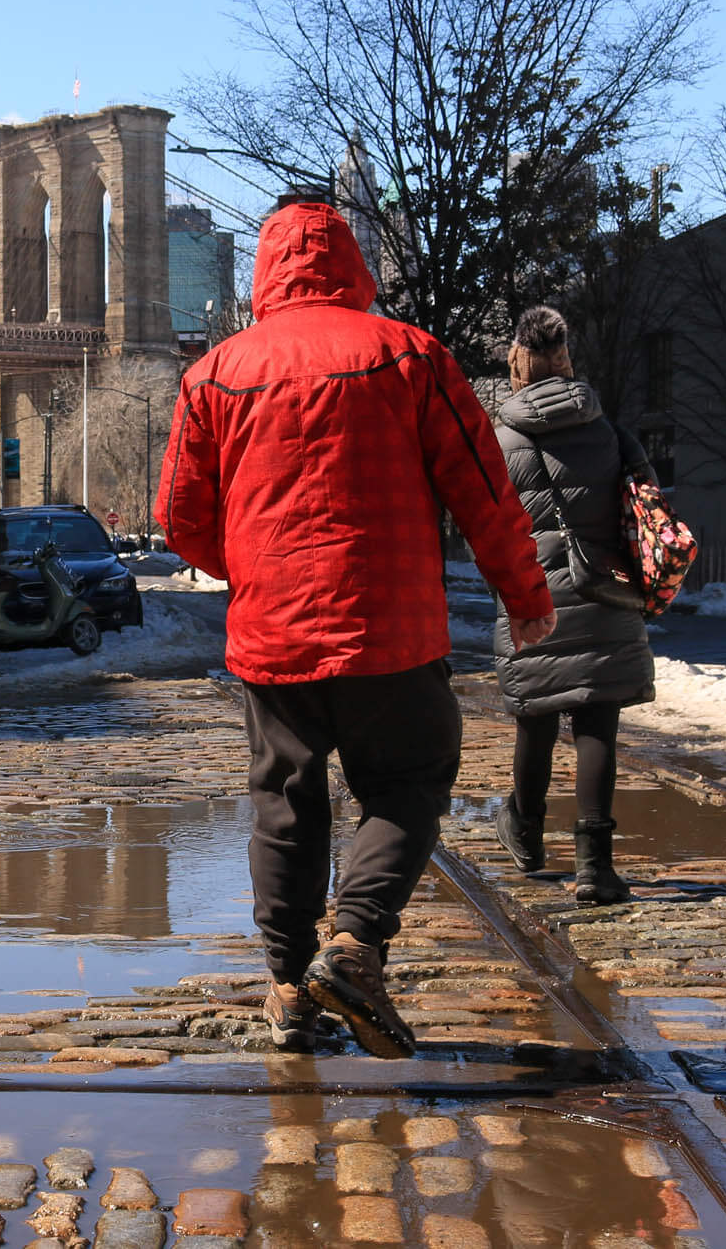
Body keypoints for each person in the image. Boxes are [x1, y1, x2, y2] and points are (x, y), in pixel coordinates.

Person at [157, 202, 555, 1059]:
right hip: (393, 629)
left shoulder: (215, 373)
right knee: (410, 779)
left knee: (285, 804)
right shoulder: (411, 355)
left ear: (265, 271)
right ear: (351, 264)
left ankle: (289, 986)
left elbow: (181, 519)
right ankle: (356, 942)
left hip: (274, 641)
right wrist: (523, 595)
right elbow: (485, 494)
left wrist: (259, 570)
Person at [490, 306, 657, 907]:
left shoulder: (501, 437)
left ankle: (528, 836)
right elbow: (646, 505)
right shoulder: (609, 431)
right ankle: (595, 866)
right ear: (567, 361)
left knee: (535, 716)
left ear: (518, 364)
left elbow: (485, 519)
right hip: (603, 589)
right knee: (597, 720)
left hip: (530, 594)